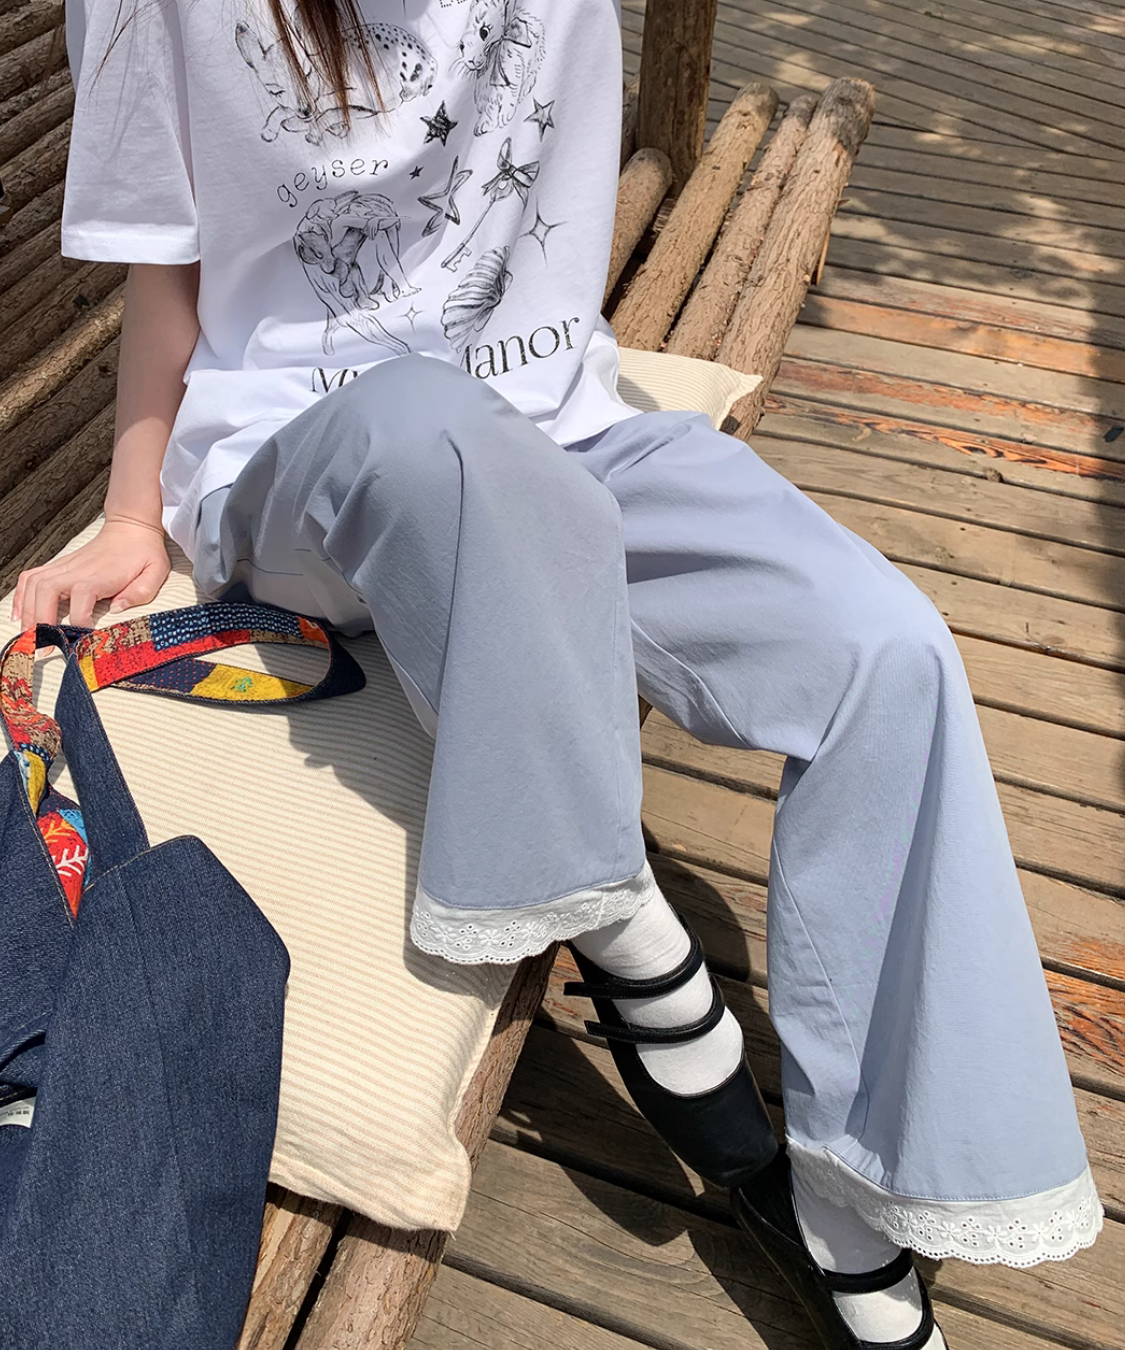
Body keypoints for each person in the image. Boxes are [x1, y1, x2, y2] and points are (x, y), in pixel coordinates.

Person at [17, 1, 1102, 1345]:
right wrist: (132, 515)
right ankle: (629, 929)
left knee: (890, 651)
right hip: (303, 469)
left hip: (569, 436)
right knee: (429, 425)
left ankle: (866, 1182)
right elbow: (164, 268)